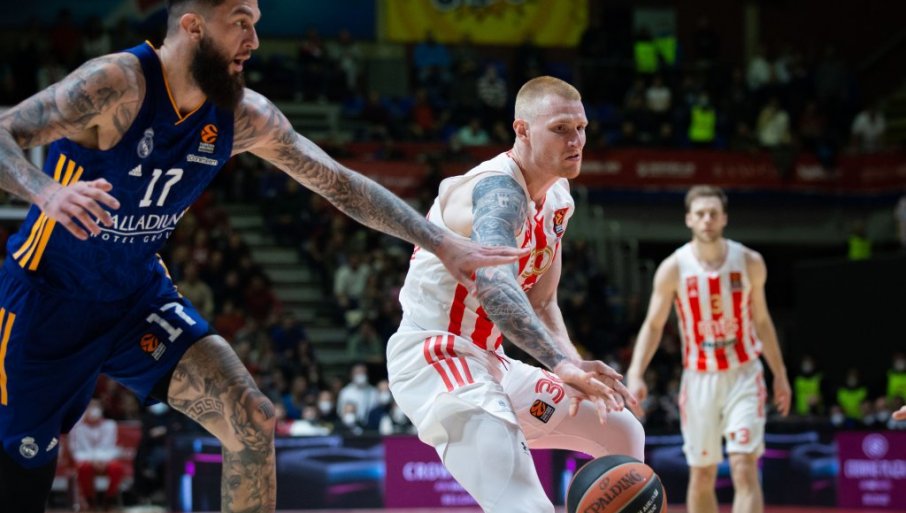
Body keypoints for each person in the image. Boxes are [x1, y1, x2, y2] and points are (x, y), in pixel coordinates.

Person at [0, 2, 526, 512]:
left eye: (255, 24)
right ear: (193, 27)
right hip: (44, 301)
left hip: (134, 297)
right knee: (21, 482)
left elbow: (339, 183)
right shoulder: (117, 83)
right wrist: (46, 191)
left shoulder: (241, 115)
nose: (253, 41)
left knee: (250, 417)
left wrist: (441, 242)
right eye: (240, 23)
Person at [386, 76, 645, 513]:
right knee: (527, 507)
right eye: (560, 129)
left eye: (581, 128)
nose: (576, 141)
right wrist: (560, 363)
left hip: (493, 362)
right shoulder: (497, 191)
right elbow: (497, 289)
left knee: (620, 429)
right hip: (438, 357)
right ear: (522, 130)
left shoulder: (559, 197)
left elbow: (543, 302)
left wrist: (572, 365)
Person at [626, 185, 792, 513]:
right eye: (700, 214)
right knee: (702, 474)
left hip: (744, 374)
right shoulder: (674, 267)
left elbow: (762, 320)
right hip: (699, 376)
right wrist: (635, 372)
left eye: (713, 213)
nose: (707, 220)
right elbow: (654, 325)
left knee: (744, 465)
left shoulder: (749, 262)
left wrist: (780, 374)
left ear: (724, 218)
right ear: (689, 219)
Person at [68, 399, 126, 510]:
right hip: (85, 459)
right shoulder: (77, 427)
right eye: (90, 407)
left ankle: (109, 499)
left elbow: (110, 446)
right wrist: (93, 460)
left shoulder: (110, 425)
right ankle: (90, 499)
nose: (93, 410)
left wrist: (101, 460)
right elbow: (75, 450)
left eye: (96, 407)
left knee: (117, 468)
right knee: (84, 468)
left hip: (106, 458)